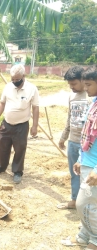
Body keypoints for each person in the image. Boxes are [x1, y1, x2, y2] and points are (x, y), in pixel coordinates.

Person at [0, 64, 39, 184]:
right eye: (13, 79)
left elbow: (35, 108)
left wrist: (34, 126)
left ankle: (17, 171)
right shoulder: (8, 87)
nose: (15, 82)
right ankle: (0, 167)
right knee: (2, 146)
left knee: (20, 148)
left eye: (17, 79)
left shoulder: (32, 89)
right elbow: (2, 103)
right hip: (6, 123)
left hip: (21, 125)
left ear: (23, 76)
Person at [57, 66, 91, 210]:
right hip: (73, 141)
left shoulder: (91, 97)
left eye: (74, 84)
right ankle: (74, 200)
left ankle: (88, 204)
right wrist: (63, 137)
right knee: (74, 173)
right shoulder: (72, 97)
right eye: (69, 84)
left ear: (83, 80)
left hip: (87, 145)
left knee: (87, 174)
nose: (72, 87)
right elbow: (69, 119)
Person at [72, 65, 97, 250]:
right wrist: (80, 158)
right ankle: (85, 235)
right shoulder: (94, 103)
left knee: (84, 204)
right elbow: (86, 135)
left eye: (88, 84)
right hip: (87, 163)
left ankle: (95, 240)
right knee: (87, 206)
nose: (85, 88)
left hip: (94, 167)